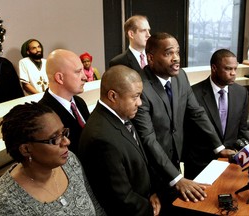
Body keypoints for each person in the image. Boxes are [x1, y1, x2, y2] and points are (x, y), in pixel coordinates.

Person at [131, 32, 236, 215]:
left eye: (177, 52)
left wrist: (218, 147)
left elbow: (197, 113)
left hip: (177, 161)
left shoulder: (181, 77)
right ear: (151, 57)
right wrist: (178, 178)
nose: (176, 58)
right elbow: (148, 139)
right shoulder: (140, 86)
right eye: (169, 53)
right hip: (151, 170)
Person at [0, 102, 106, 215]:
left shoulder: (70, 161)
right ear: (26, 149)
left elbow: (96, 208)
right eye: (54, 139)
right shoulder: (0, 204)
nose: (66, 141)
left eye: (64, 133)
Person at [78, 65, 161, 216]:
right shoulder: (101, 138)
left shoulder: (122, 115)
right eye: (135, 97)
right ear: (113, 96)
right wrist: (150, 209)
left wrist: (152, 192)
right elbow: (120, 198)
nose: (140, 103)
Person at [183, 49, 249, 179]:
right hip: (200, 164)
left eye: (235, 69)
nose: (233, 73)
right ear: (214, 68)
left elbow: (242, 130)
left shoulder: (241, 93)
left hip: (230, 163)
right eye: (228, 69)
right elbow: (186, 133)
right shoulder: (193, 94)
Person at [39, 49, 90, 154]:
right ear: (60, 78)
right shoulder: (44, 114)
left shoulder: (79, 102)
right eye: (78, 72)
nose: (85, 77)